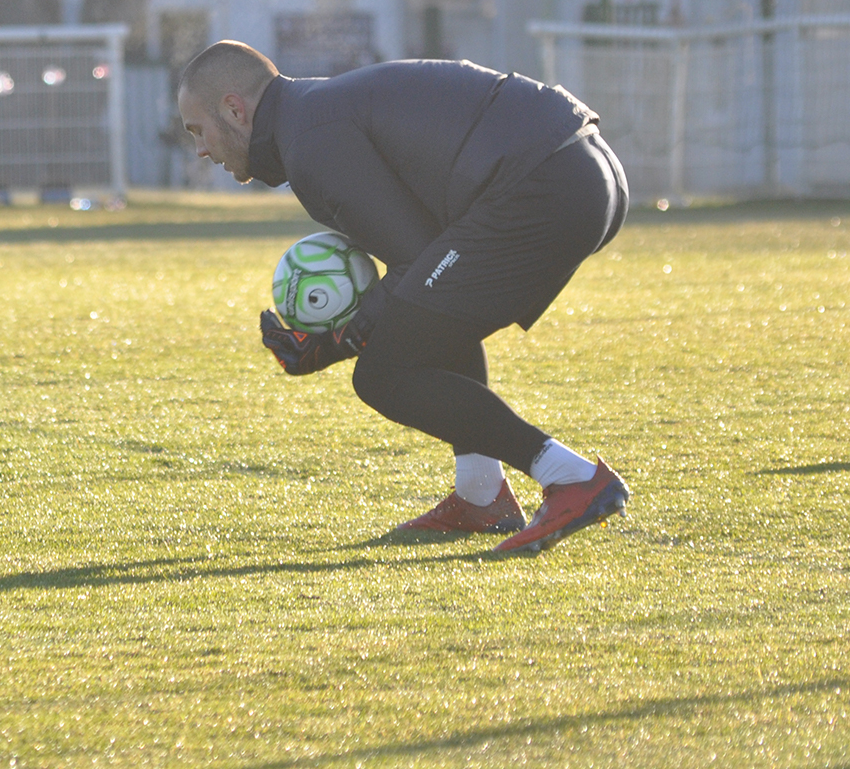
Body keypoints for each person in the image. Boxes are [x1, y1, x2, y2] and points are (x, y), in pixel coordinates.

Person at [175, 41, 630, 555]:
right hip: (585, 168)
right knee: (432, 318)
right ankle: (481, 496)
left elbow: (414, 263)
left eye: (198, 130)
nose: (201, 149)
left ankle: (570, 477)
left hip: (545, 181)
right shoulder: (313, 117)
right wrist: (336, 340)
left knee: (384, 375)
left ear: (235, 109)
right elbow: (424, 275)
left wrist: (329, 346)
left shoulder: (311, 141)